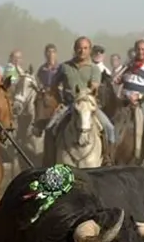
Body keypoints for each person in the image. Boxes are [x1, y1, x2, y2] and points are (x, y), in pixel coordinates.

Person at [44, 36, 116, 165]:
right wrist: (59, 100)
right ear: (74, 49)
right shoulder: (65, 67)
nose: (82, 51)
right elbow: (54, 86)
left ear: (90, 50)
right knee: (49, 128)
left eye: (85, 48)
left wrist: (85, 97)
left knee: (109, 128)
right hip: (68, 105)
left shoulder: (94, 68)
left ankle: (107, 158)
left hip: (88, 106)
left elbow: (94, 86)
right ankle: (49, 161)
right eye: (79, 48)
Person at [115, 38, 144, 165]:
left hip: (142, 104)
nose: (140, 52)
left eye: (143, 49)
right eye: (138, 49)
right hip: (124, 101)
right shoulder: (130, 66)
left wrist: (139, 96)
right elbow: (124, 81)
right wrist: (119, 79)